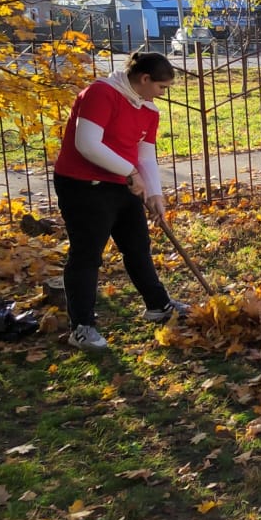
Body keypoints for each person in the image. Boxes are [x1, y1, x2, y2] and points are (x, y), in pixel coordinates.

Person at [53, 51, 189, 350]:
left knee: (137, 245)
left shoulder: (148, 108)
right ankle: (81, 327)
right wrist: (130, 172)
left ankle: (158, 306)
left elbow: (145, 155)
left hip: (122, 183)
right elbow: (87, 144)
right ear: (144, 78)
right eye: (161, 87)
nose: (162, 94)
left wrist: (154, 192)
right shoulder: (101, 93)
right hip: (83, 184)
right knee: (87, 255)